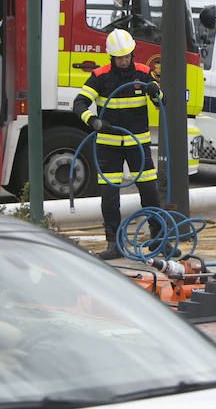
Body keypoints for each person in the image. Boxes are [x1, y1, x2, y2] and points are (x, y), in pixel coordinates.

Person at [72, 29, 167, 260]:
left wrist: (156, 92)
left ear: (132, 53)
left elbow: (161, 102)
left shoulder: (144, 73)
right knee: (110, 195)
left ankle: (159, 241)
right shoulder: (100, 76)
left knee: (150, 192)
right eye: (119, 57)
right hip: (108, 146)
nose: (123, 61)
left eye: (127, 56)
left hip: (138, 144)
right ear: (111, 57)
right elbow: (79, 103)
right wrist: (93, 122)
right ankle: (113, 244)